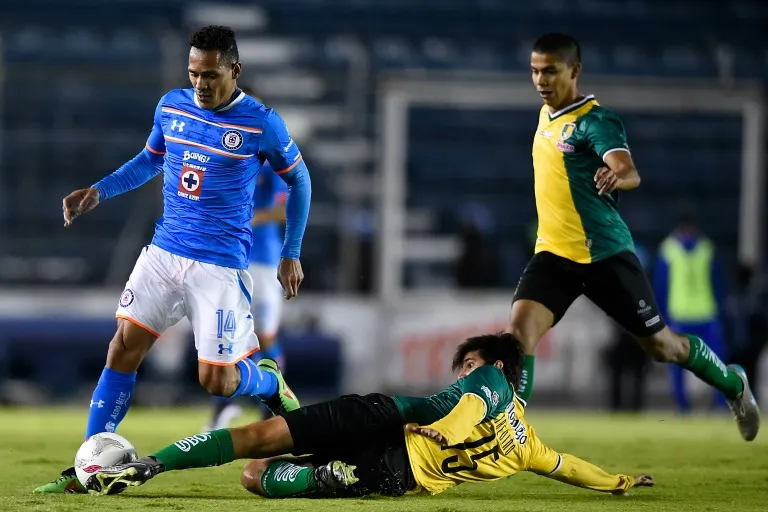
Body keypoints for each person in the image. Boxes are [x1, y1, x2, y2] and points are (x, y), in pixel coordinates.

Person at [35, 26, 311, 493]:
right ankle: (88, 466)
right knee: (123, 348)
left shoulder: (262, 123)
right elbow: (149, 160)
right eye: (193, 73)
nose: (200, 83)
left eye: (209, 74)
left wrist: (291, 253)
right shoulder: (172, 105)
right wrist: (98, 191)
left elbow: (300, 183)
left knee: (217, 382)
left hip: (219, 265)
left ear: (234, 70)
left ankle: (266, 381)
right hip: (164, 253)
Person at [507, 33, 758, 441]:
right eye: (534, 71)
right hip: (554, 255)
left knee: (661, 348)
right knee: (519, 334)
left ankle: (733, 384)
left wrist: (618, 175)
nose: (540, 80)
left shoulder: (596, 120)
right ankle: (510, 432)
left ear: (575, 70)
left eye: (549, 71)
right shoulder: (545, 114)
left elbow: (627, 168)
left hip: (604, 254)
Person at [86, 333, 654, 499]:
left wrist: (442, 427)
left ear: (492, 363)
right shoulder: (526, 444)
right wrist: (620, 481)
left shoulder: (491, 380)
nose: (462, 371)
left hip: (385, 419)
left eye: (468, 361)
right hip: (395, 478)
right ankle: (316, 475)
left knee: (254, 444)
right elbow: (568, 466)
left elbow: (471, 406)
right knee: (256, 479)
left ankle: (150, 467)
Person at [206, 86, 290, 430]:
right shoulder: (219, 153)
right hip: (227, 259)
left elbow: (285, 209)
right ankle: (221, 409)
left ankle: (274, 405)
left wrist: (244, 218)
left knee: (265, 336)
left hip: (263, 260)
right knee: (222, 333)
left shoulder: (272, 155)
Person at [655, 213, 727, 412]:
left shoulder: (669, 250)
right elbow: (719, 285)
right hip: (701, 315)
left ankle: (685, 406)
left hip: (688, 316)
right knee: (714, 363)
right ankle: (702, 405)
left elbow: (661, 287)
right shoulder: (705, 248)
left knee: (682, 364)